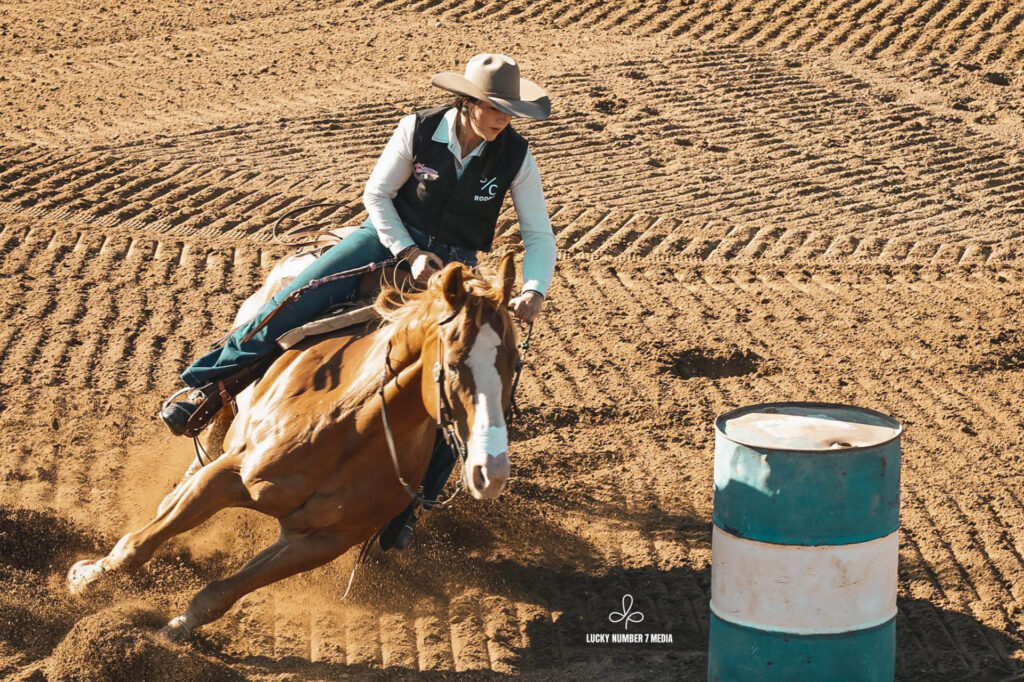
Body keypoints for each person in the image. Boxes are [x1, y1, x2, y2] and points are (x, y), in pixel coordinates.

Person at [159, 53, 557, 549]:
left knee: (468, 380)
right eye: (496, 107)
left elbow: (539, 234)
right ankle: (209, 385)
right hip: (386, 239)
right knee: (298, 298)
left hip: (454, 265)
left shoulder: (516, 156)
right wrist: (408, 252)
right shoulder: (418, 129)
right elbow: (377, 194)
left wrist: (533, 290)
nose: (504, 118)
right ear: (468, 101)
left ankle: (411, 506)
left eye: (509, 110)